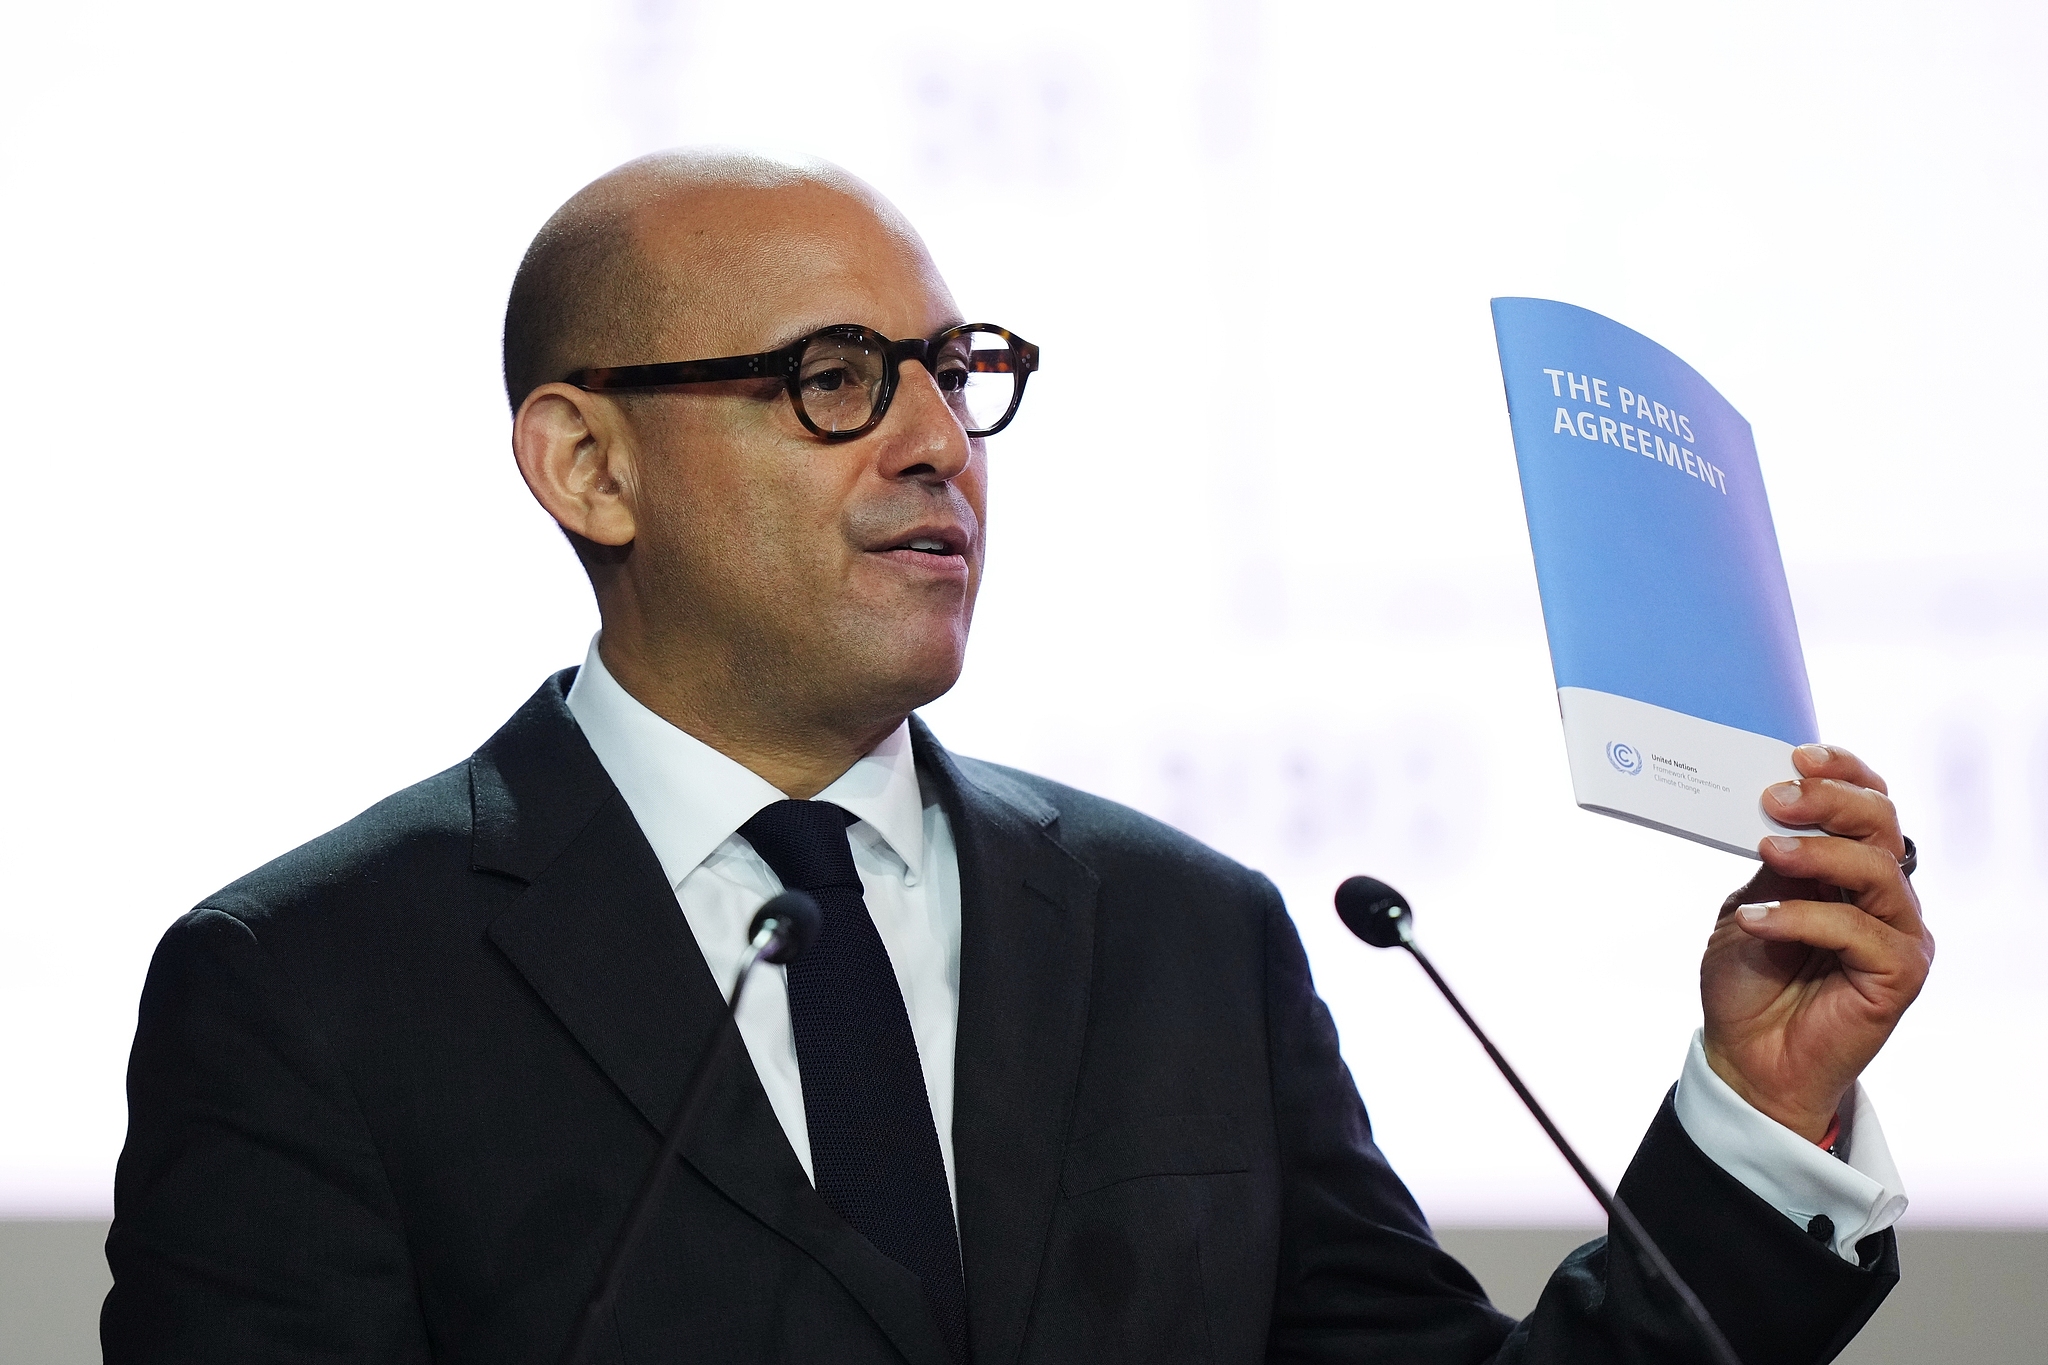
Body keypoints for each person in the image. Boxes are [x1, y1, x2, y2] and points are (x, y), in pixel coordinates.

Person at [102, 150, 1933, 1364]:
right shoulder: (311, 987)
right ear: (590, 464)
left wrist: (1758, 1113)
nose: (934, 442)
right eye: (834, 376)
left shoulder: (1180, 934)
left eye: (952, 369)